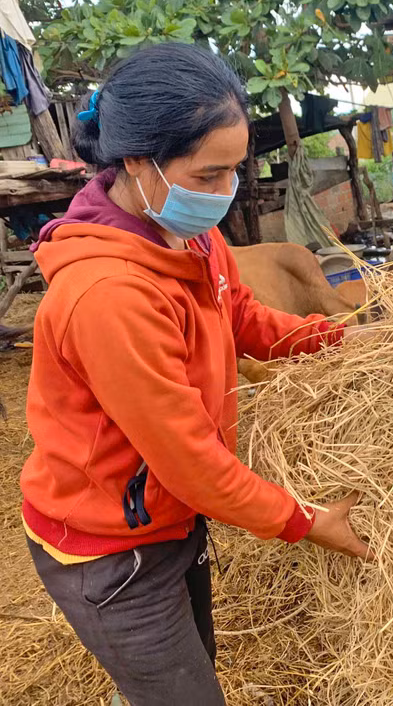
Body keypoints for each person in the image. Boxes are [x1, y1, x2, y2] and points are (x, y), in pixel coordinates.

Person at [19, 43, 372, 706]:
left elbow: (240, 316)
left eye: (234, 171)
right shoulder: (109, 297)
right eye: (208, 176)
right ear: (137, 163)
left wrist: (341, 342)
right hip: (107, 550)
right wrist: (303, 519)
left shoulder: (191, 237)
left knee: (189, 668)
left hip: (169, 519)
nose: (224, 192)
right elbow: (190, 462)